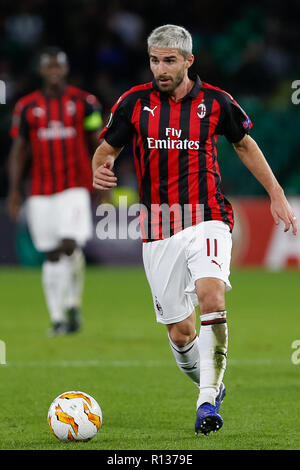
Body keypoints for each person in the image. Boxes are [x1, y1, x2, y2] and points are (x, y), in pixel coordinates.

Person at [92, 25, 297, 435]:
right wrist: (101, 167)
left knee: (211, 294)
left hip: (208, 216)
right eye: (154, 60)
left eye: (169, 61)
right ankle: (211, 381)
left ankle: (206, 403)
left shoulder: (217, 102)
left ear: (188, 61)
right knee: (181, 331)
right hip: (157, 226)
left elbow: (244, 144)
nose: (160, 69)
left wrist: (275, 192)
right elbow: (106, 148)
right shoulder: (134, 103)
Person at [7, 47, 103, 336]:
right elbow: (19, 149)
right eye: (49, 67)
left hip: (74, 185)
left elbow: (97, 142)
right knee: (50, 254)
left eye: (58, 66)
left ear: (65, 69)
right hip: (39, 189)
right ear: (41, 70)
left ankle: (73, 301)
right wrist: (14, 190)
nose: (53, 71)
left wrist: (102, 177)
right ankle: (59, 316)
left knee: (68, 244)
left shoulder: (85, 103)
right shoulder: (26, 107)